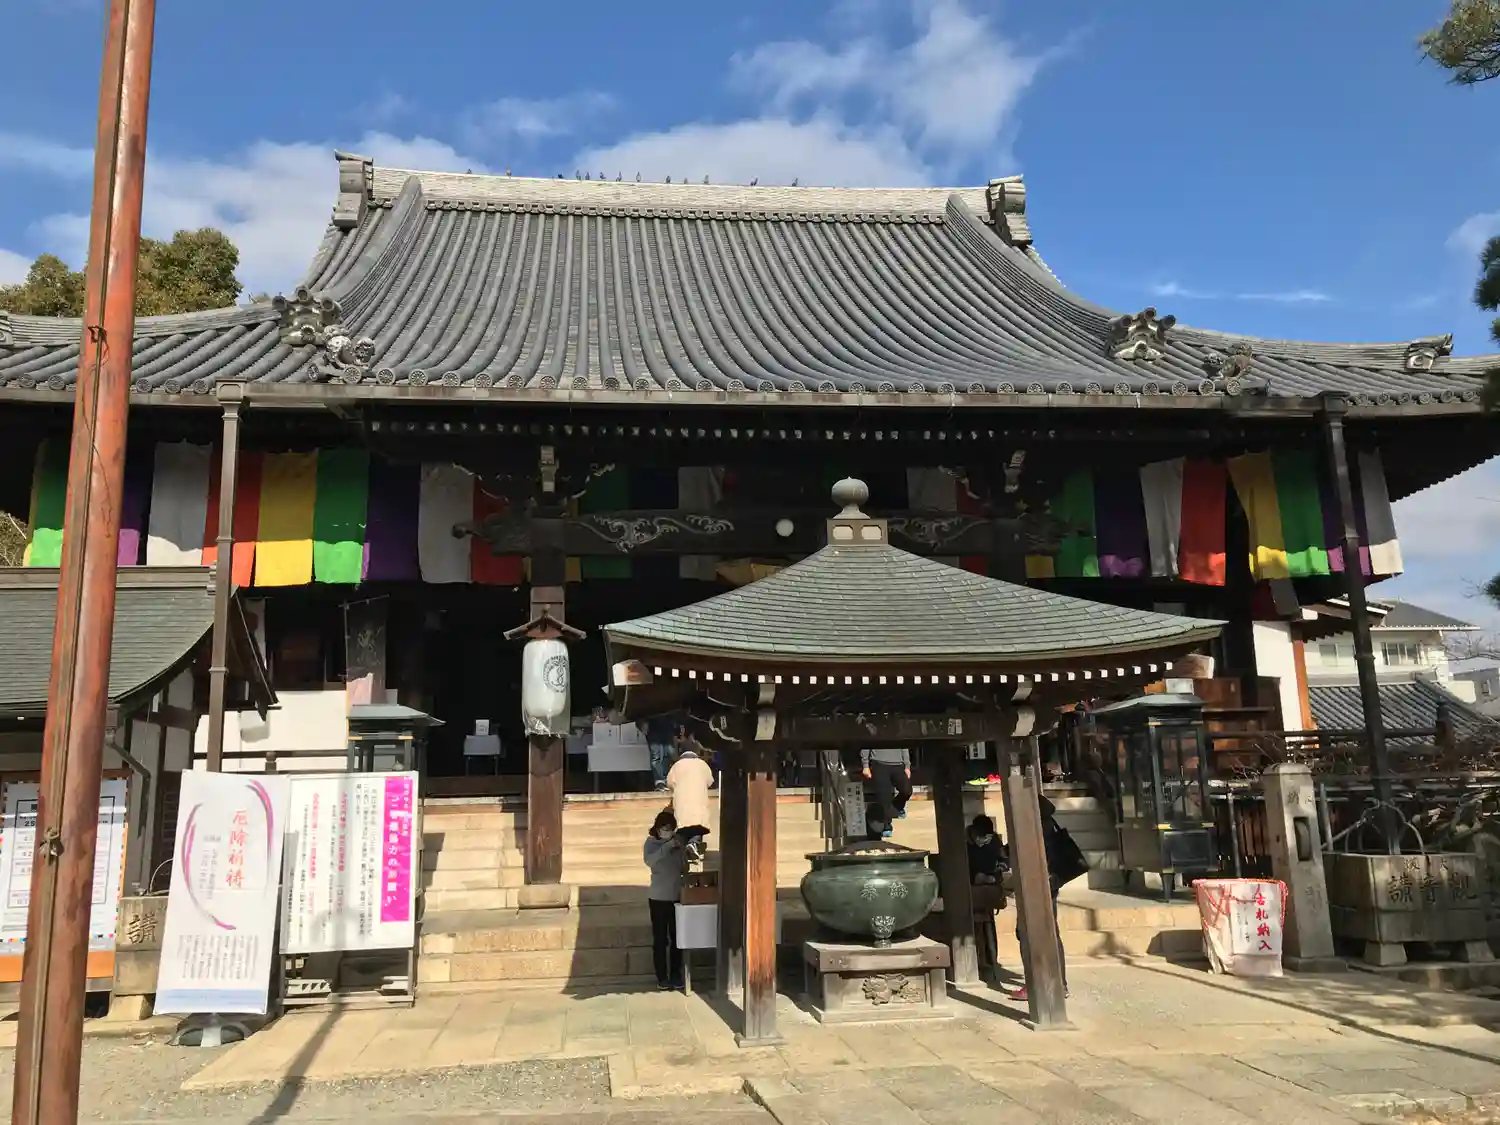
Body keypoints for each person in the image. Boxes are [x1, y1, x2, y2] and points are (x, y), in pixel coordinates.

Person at [1012, 796, 1088, 1002]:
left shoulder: (1036, 828)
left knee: (1028, 932)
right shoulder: (1049, 826)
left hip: (1039, 886)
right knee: (1052, 933)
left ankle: (1036, 984)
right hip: (1050, 885)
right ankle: (1060, 983)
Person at [643, 809, 685, 991]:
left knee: (678, 938)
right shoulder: (651, 843)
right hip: (658, 898)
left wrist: (682, 850)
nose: (668, 832)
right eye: (665, 829)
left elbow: (683, 867)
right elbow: (650, 861)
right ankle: (661, 977)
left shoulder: (677, 843)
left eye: (671, 829)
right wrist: (666, 847)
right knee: (660, 939)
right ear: (658, 828)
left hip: (676, 896)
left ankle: (676, 974)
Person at [667, 743, 715, 862]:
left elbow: (670, 783)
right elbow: (710, 781)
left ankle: (688, 849)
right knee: (698, 827)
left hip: (682, 805)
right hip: (699, 803)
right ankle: (693, 845)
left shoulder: (676, 766)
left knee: (684, 829)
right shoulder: (703, 765)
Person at [860, 747, 912, 837]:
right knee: (884, 797)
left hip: (898, 764)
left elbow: (904, 746)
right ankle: (887, 826)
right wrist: (865, 765)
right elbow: (866, 745)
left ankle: (895, 808)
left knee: (907, 790)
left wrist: (907, 766)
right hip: (879, 763)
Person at [641, 713, 679, 792]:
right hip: (655, 728)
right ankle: (660, 782)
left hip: (664, 727)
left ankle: (663, 781)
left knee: (665, 756)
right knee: (658, 756)